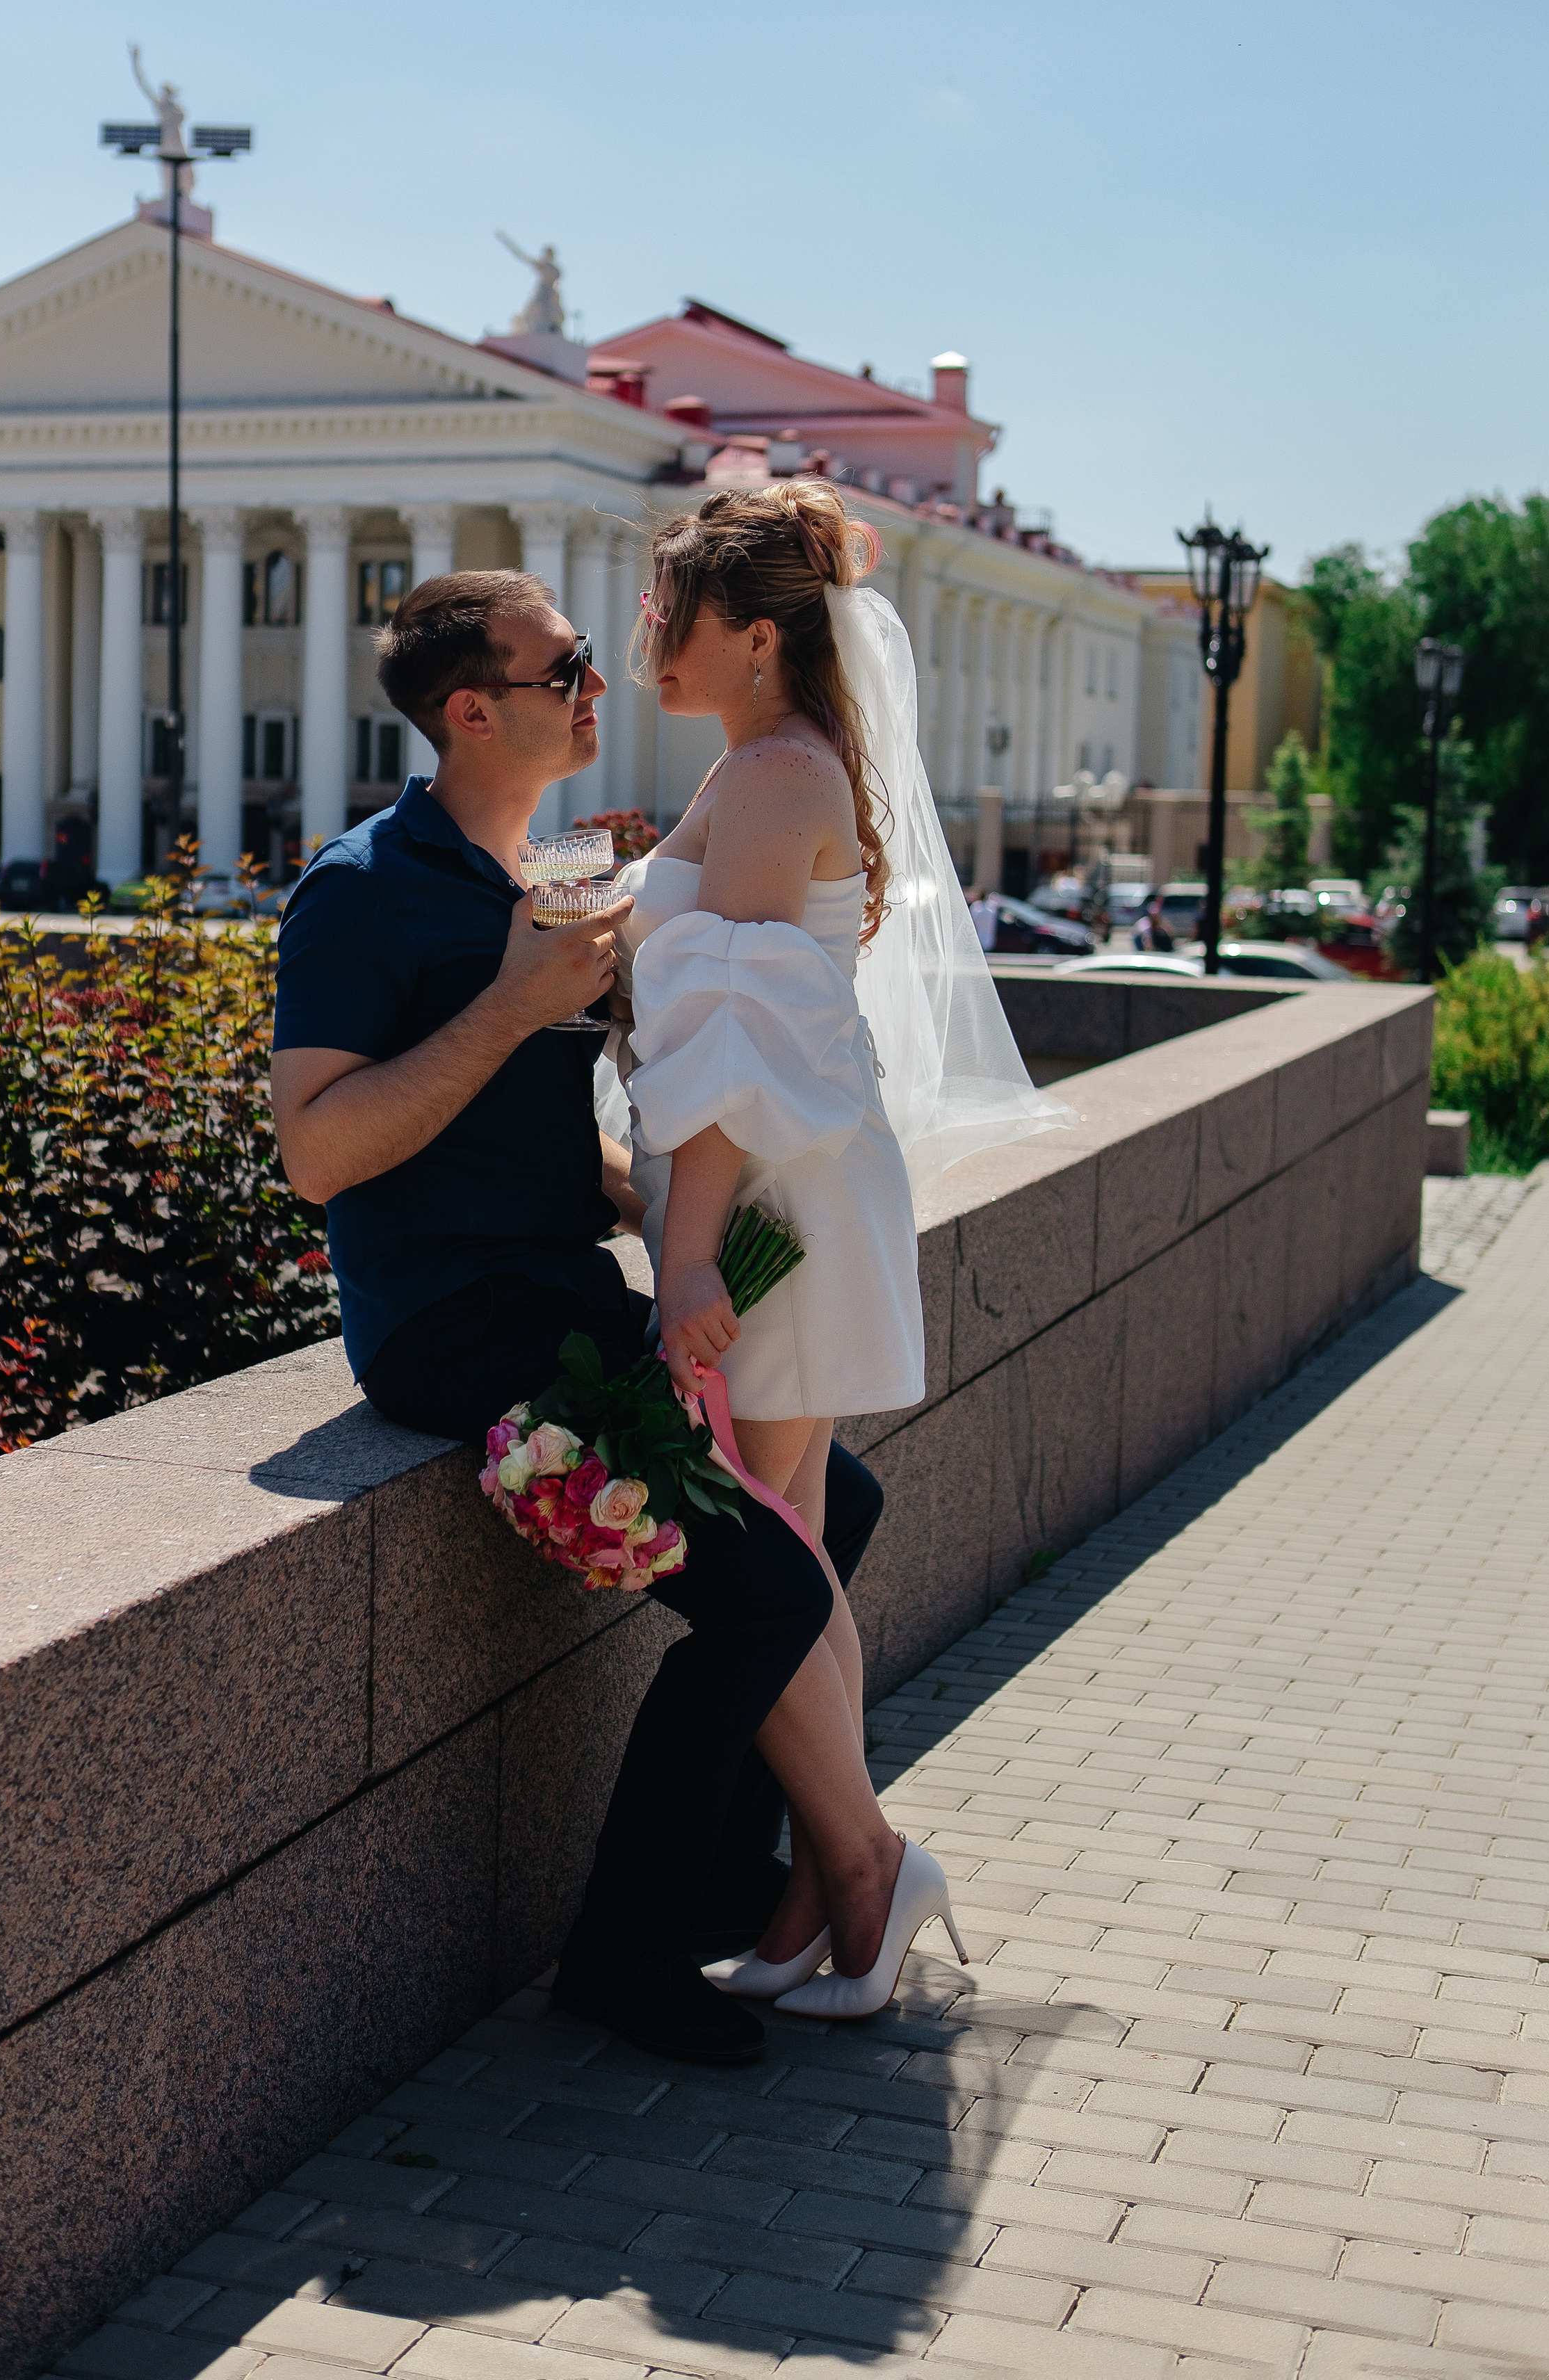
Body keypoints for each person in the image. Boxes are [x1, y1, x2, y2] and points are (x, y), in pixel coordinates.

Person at [270, 568, 888, 2068]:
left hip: (556, 1293)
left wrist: (664, 1210)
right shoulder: (359, 890)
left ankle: (728, 1875)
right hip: (451, 1323)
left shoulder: (540, 878)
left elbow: (533, 1138)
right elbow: (317, 1153)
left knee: (836, 1509)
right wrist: (509, 1003)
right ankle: (626, 1946)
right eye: (567, 672)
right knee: (764, 1589)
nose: (600, 687)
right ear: (472, 712)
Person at [615, 484, 1058, 2019]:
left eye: (664, 613)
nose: (640, 640)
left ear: (749, 635)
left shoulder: (771, 778)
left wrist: (685, 1267)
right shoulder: (773, 766)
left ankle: (859, 1867)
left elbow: (730, 1050)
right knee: (782, 1538)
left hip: (768, 1215)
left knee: (767, 1545)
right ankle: (835, 1881)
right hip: (785, 1193)